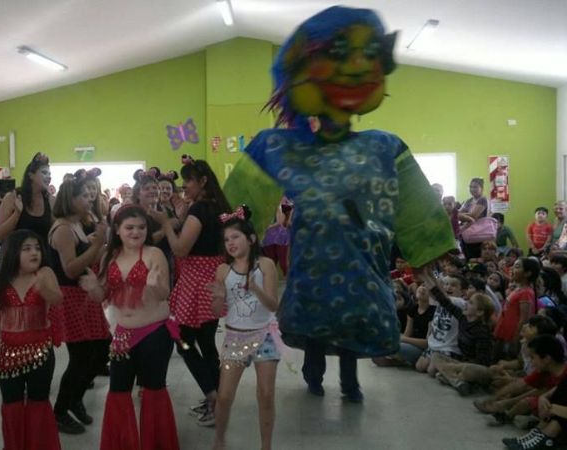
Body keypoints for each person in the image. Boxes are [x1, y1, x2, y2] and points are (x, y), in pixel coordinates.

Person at [223, 5, 455, 404]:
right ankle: (318, 376)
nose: (356, 66)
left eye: (369, 54)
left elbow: (416, 212)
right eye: (339, 54)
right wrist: (232, 250)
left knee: (349, 329)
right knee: (316, 329)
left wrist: (425, 262)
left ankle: (348, 381)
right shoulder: (282, 147)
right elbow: (237, 210)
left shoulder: (384, 147)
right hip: (314, 267)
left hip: (360, 268)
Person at [79, 205, 179, 450]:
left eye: (142, 227)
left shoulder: (154, 254)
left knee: (154, 390)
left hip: (154, 331)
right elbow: (102, 295)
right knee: (119, 390)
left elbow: (164, 293)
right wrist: (93, 287)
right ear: (118, 230)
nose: (136, 232)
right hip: (122, 334)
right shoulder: (108, 256)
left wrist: (154, 285)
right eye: (130, 227)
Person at [150, 155, 231, 425]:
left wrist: (165, 224)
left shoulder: (199, 211)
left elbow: (181, 248)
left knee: (181, 338)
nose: (185, 187)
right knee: (207, 342)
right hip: (213, 279)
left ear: (203, 181)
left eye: (188, 182)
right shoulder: (218, 207)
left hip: (196, 281)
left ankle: (213, 397)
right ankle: (217, 397)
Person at [0, 229, 63, 450]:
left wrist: (43, 289)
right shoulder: (3, 278)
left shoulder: (44, 273)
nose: (34, 253)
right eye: (26, 248)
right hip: (9, 352)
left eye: (37, 248)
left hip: (41, 351)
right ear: (13, 252)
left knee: (38, 403)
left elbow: (57, 299)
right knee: (12, 405)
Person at [208, 205, 280, 450]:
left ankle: (266, 445)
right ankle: (219, 439)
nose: (230, 243)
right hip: (234, 339)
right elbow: (217, 312)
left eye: (235, 237)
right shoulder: (223, 270)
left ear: (250, 239)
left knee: (266, 395)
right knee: (225, 396)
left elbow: (274, 305)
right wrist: (218, 297)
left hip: (264, 337)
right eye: (226, 239)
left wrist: (256, 288)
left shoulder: (266, 265)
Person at [49, 173, 110, 434]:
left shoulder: (82, 222)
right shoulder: (63, 228)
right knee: (80, 358)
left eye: (91, 193)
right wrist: (97, 245)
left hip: (86, 295)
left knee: (101, 348)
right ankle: (61, 410)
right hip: (71, 297)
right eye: (84, 195)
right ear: (70, 199)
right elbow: (71, 269)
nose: (90, 198)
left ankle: (74, 398)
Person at [0, 152, 53, 244]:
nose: (49, 177)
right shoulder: (13, 197)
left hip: (42, 255)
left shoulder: (50, 200)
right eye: (44, 173)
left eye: (49, 174)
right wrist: (17, 214)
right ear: (31, 175)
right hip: (16, 254)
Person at [495, 258, 539, 359]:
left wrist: (515, 339)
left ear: (527, 273)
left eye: (517, 267)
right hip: (504, 331)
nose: (512, 269)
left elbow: (524, 319)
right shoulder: (518, 289)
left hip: (511, 335)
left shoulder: (526, 292)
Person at [459, 178, 489, 260]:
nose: (472, 189)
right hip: (467, 234)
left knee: (476, 258)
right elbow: (459, 212)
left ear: (481, 188)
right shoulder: (468, 201)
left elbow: (473, 215)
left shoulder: (482, 200)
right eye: (470, 187)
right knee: (467, 258)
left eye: (475, 187)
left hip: (478, 234)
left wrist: (458, 215)